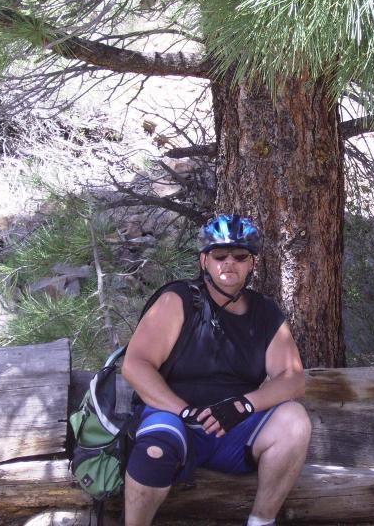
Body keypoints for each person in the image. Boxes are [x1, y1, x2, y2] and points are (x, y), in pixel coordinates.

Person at [122, 214, 311, 526]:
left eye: (239, 256)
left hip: (233, 429)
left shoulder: (265, 312)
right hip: (173, 418)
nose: (229, 264)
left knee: (295, 421)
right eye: (219, 255)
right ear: (204, 261)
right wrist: (185, 412)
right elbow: (135, 365)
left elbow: (292, 379)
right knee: (153, 452)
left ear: (252, 264)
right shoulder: (179, 300)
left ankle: (261, 522)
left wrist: (244, 405)